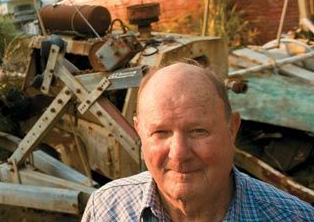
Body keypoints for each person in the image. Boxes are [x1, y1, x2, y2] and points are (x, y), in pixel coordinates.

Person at [82, 62, 314, 221]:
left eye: (197, 131)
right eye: (161, 132)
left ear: (232, 128)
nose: (179, 153)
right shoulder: (107, 209)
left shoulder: (293, 217)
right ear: (140, 132)